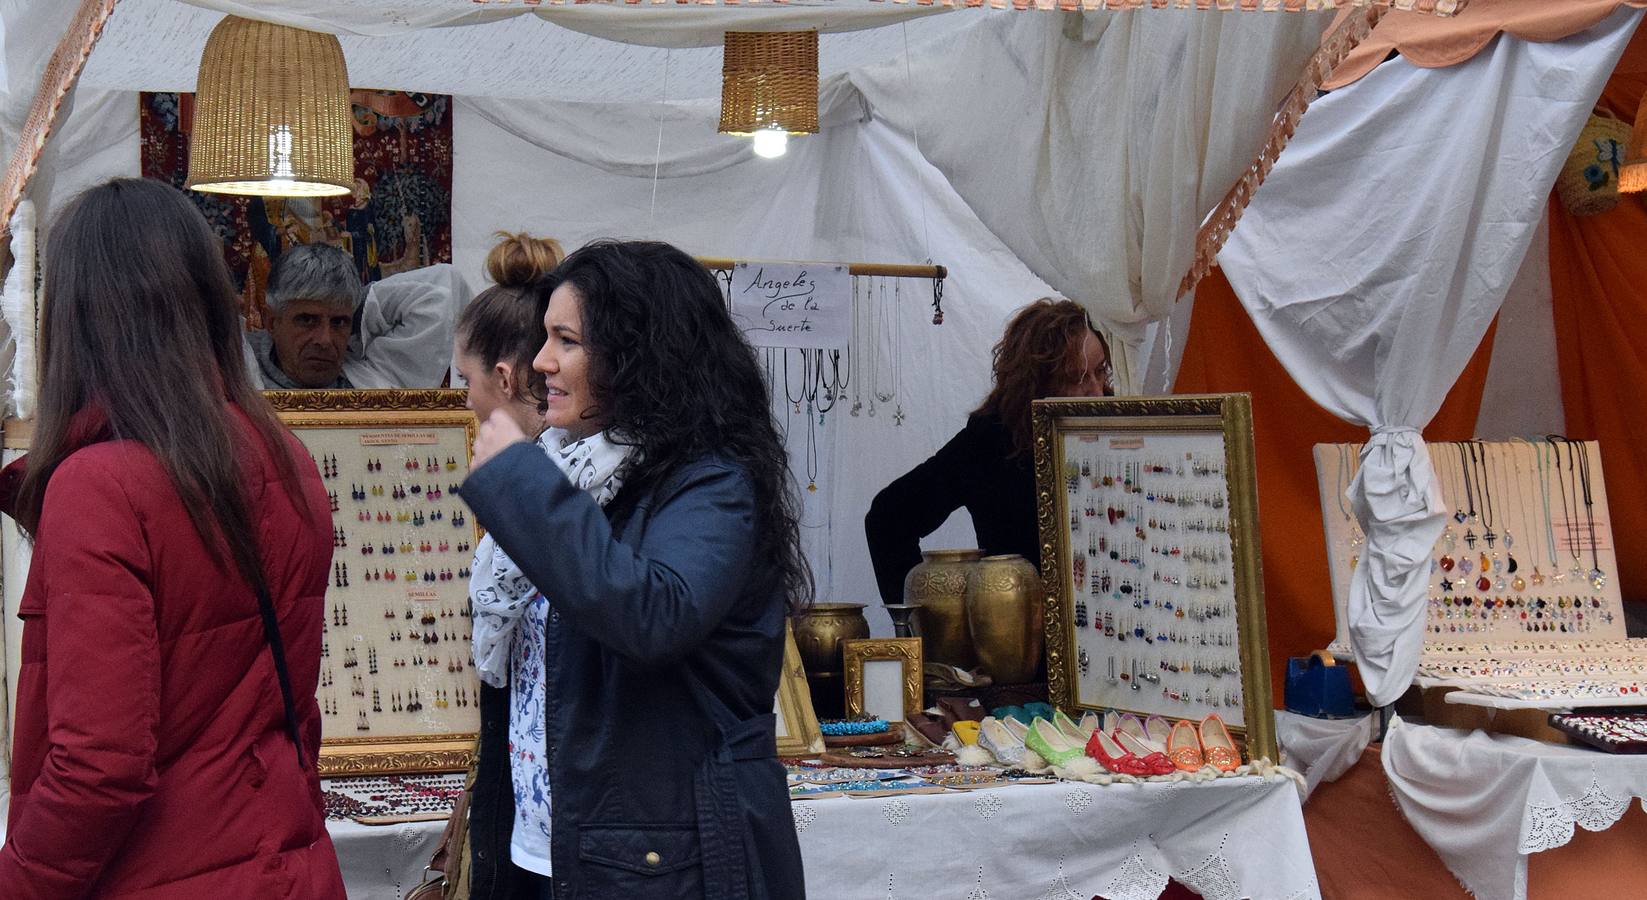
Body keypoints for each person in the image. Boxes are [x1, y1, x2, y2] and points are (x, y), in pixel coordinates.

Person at [0, 178, 346, 898]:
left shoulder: (101, 488)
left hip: (162, 873)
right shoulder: (284, 457)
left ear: (76, 315)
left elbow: (99, 767)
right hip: (286, 859)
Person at [458, 240, 809, 899]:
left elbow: (653, 614)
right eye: (544, 338)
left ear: (637, 354)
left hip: (664, 867)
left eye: (566, 340)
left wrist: (519, 484)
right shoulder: (575, 474)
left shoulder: (710, 484)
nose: (541, 362)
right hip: (553, 851)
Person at [450, 231, 566, 895]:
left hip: (554, 824)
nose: (465, 402)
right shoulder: (559, 483)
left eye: (465, 381)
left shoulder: (553, 490)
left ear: (500, 378)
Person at [865, 297, 1113, 605]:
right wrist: (922, 625)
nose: (1095, 391)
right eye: (1075, 378)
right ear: (1038, 382)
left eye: (1100, 372)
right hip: (1020, 641)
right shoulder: (993, 439)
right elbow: (889, 518)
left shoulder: (1118, 427)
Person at [245, 242, 470, 389]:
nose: (325, 340)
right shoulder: (239, 373)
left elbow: (444, 287)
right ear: (272, 322)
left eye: (339, 322)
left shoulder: (368, 381)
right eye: (307, 320)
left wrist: (358, 307)